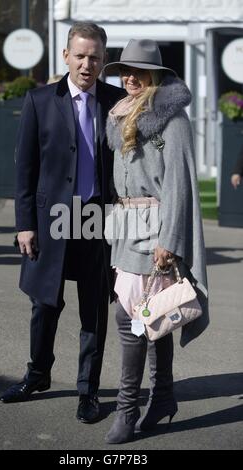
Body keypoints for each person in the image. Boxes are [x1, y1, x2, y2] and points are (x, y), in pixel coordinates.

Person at [0, 22, 125, 424]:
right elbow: (25, 168)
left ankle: (88, 390)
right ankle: (37, 375)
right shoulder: (38, 101)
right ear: (66, 56)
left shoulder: (118, 102)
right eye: (81, 55)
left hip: (97, 221)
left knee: (95, 311)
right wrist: (24, 224)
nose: (87, 64)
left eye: (95, 57)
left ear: (104, 61)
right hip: (51, 219)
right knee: (44, 306)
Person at [102, 39, 209, 444]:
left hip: (156, 230)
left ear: (156, 76)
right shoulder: (121, 113)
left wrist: (170, 240)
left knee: (130, 319)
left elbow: (180, 184)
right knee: (151, 315)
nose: (129, 77)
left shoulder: (172, 120)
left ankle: (128, 410)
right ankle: (162, 396)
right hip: (127, 227)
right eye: (124, 71)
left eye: (138, 71)